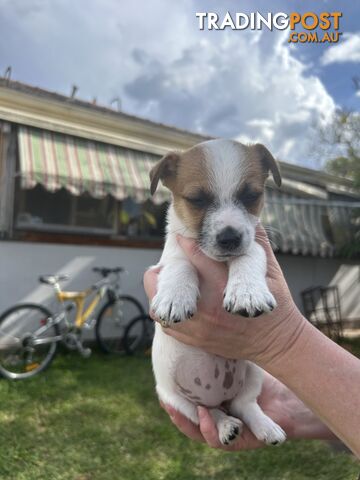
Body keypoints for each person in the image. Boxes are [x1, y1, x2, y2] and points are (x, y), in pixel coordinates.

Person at [143, 226, 360, 457]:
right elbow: (170, 265)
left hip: (239, 377)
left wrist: (277, 337)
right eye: (199, 200)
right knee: (172, 397)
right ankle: (218, 417)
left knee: (250, 378)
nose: (229, 224)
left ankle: (247, 407)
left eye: (249, 196)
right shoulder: (178, 235)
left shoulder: (248, 243)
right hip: (182, 392)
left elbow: (253, 254)